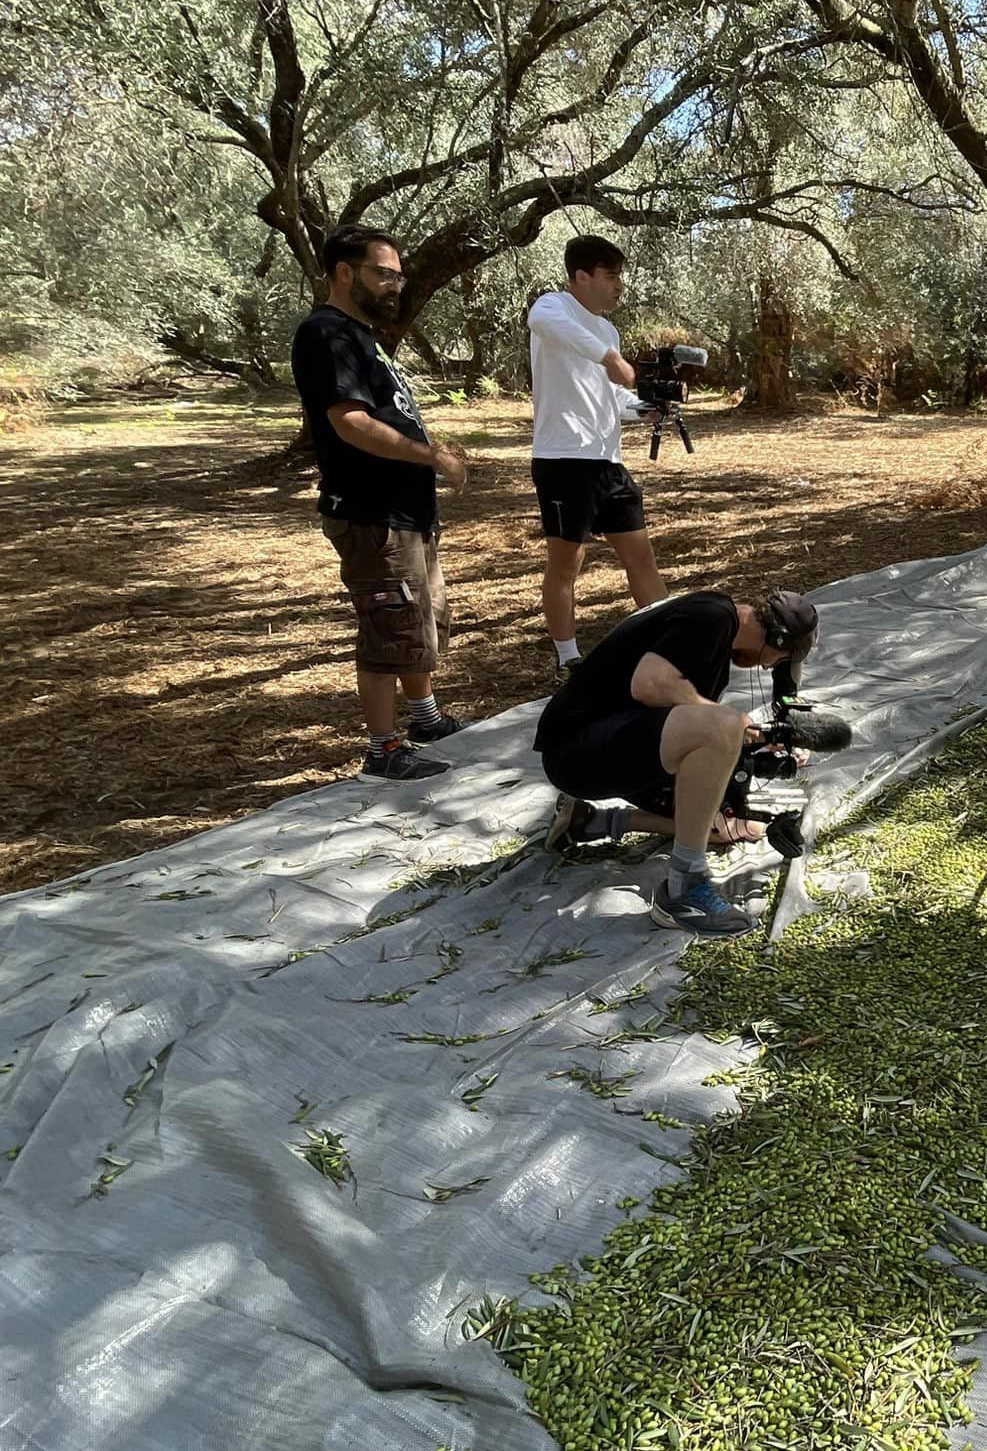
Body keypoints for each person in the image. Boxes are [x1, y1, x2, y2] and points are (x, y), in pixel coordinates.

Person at [291, 224, 469, 782]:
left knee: (420, 622)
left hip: (406, 514)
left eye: (399, 275)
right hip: (372, 515)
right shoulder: (328, 335)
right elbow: (350, 423)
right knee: (389, 628)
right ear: (345, 273)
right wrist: (429, 455)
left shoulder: (362, 335)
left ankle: (424, 719)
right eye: (383, 273)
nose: (396, 285)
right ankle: (382, 748)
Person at [536, 589, 820, 934]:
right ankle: (683, 890)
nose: (766, 666)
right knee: (723, 724)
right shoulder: (713, 616)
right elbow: (649, 684)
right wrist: (728, 723)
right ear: (774, 637)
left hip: (616, 747)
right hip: (576, 748)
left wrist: (756, 744)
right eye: (777, 658)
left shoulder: (717, 640)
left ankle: (591, 822)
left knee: (729, 825)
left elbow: (683, 728)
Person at [528, 234, 666, 682]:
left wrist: (642, 407)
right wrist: (610, 357)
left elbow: (611, 397)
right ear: (581, 276)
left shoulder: (608, 331)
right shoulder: (552, 308)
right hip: (563, 461)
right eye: (610, 276)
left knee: (641, 558)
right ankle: (568, 658)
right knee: (567, 563)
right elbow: (563, 334)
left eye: (619, 276)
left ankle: (668, 642)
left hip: (608, 463)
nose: (618, 286)